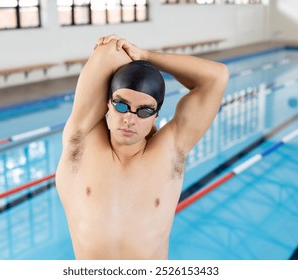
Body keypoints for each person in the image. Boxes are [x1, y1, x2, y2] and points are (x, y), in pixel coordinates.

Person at [55, 34, 229, 259]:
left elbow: (217, 76)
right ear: (108, 103)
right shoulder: (79, 143)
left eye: (144, 111)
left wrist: (147, 56)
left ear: (155, 115)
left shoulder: (170, 152)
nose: (130, 118)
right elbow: (109, 51)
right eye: (121, 105)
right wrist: (135, 57)